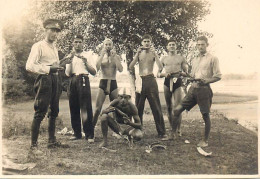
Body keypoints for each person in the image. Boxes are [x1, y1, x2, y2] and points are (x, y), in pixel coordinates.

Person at [172, 36, 221, 147]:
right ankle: (173, 134)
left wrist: (206, 80)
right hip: (192, 89)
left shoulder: (213, 58)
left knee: (205, 115)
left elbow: (218, 76)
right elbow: (193, 75)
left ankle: (205, 141)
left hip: (204, 90)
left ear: (207, 45)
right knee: (177, 110)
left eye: (202, 44)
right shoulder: (194, 59)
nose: (200, 47)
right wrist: (189, 77)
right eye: (198, 45)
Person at [26, 19, 66, 153]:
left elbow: (55, 65)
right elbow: (30, 66)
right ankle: (33, 146)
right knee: (40, 112)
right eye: (52, 30)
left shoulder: (54, 47)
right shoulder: (38, 46)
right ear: (46, 30)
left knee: (54, 111)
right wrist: (49, 69)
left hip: (55, 80)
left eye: (57, 31)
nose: (55, 34)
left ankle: (51, 141)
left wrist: (58, 67)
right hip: (44, 80)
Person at [129, 34, 168, 140]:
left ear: (151, 43)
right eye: (145, 41)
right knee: (138, 107)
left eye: (148, 41)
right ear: (142, 43)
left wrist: (155, 54)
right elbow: (130, 66)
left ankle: (162, 132)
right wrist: (136, 54)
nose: (146, 43)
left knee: (156, 107)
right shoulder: (139, 53)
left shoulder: (153, 53)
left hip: (151, 79)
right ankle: (137, 130)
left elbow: (160, 67)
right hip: (141, 81)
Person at [61, 34, 96, 142]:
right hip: (72, 80)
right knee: (73, 107)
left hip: (83, 79)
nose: (78, 44)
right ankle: (77, 133)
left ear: (83, 43)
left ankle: (89, 134)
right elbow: (67, 73)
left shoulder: (88, 55)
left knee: (85, 108)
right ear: (73, 43)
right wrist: (70, 60)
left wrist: (85, 62)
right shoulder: (70, 56)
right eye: (75, 42)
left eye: (80, 42)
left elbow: (94, 72)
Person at [157, 38, 188, 138]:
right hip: (167, 82)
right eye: (170, 45)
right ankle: (172, 127)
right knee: (169, 106)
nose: (171, 46)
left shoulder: (180, 58)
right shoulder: (163, 59)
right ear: (167, 47)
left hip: (177, 82)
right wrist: (164, 74)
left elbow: (186, 72)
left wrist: (182, 73)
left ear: (176, 46)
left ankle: (178, 129)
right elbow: (158, 73)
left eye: (173, 44)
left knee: (177, 107)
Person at [92, 38, 123, 133]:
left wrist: (114, 58)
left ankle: (117, 131)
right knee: (97, 108)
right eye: (106, 44)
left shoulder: (116, 56)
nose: (108, 46)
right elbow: (96, 68)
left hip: (113, 82)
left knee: (115, 108)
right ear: (103, 46)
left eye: (110, 44)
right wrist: (101, 55)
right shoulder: (101, 56)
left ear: (112, 46)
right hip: (103, 81)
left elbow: (121, 69)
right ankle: (91, 129)